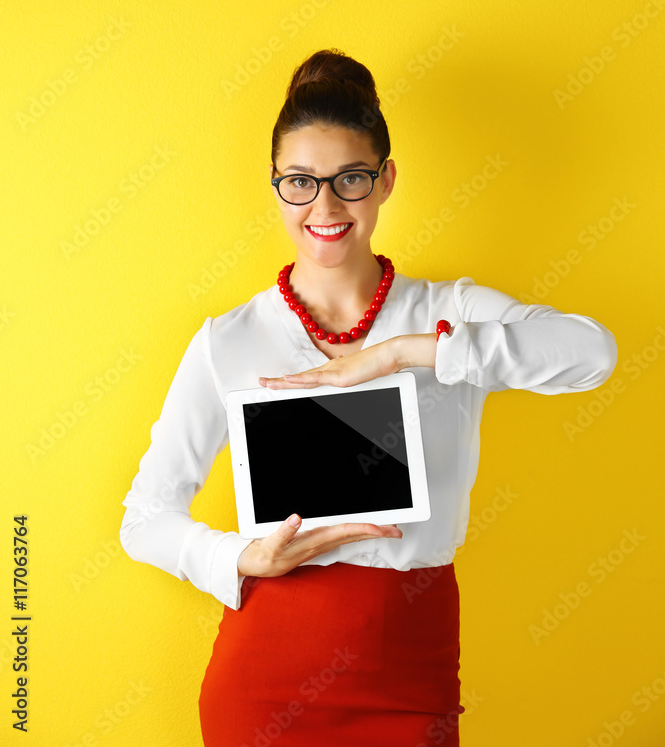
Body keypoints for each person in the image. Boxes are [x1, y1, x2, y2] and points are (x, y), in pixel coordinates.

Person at [119, 48, 618, 746]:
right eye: (300, 182)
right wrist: (236, 558)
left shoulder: (448, 311)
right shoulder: (228, 341)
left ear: (384, 180)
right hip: (264, 682)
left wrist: (407, 352)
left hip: (409, 672)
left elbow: (593, 354)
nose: (324, 206)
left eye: (349, 179)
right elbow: (144, 518)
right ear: (275, 187)